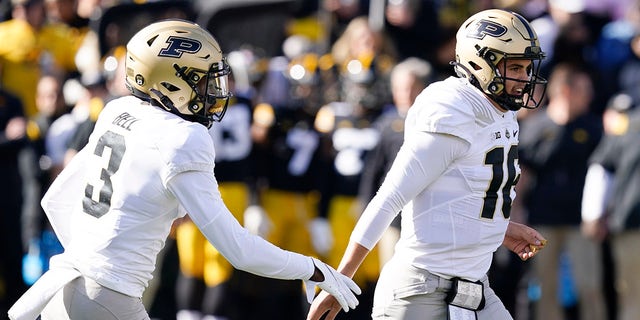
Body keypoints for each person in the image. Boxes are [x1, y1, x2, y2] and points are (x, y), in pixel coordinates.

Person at [7, 19, 360, 320]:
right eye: (204, 80)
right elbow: (239, 250)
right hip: (107, 296)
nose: (213, 92)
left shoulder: (118, 110)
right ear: (171, 81)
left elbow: (56, 198)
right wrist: (315, 269)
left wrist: (90, 257)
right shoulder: (183, 136)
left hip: (63, 286)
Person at [307, 9, 549, 320]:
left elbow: (458, 193)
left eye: (528, 68)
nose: (525, 79)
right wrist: (340, 281)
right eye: (515, 67)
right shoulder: (453, 111)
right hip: (419, 291)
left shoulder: (500, 111)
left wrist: (498, 229)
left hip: (473, 289)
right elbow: (390, 197)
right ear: (480, 64)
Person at [517, 62, 605, 320]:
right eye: (583, 90)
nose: (589, 96)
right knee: (545, 286)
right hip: (542, 219)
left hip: (581, 220)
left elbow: (602, 173)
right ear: (566, 91)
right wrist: (517, 210)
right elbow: (524, 171)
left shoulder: (592, 127)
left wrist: (600, 213)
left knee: (589, 284)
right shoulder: (535, 127)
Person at [581, 99, 640, 320]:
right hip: (632, 225)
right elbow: (603, 168)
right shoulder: (629, 126)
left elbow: (601, 170)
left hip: (631, 227)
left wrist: (592, 216)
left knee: (633, 299)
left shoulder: (628, 126)